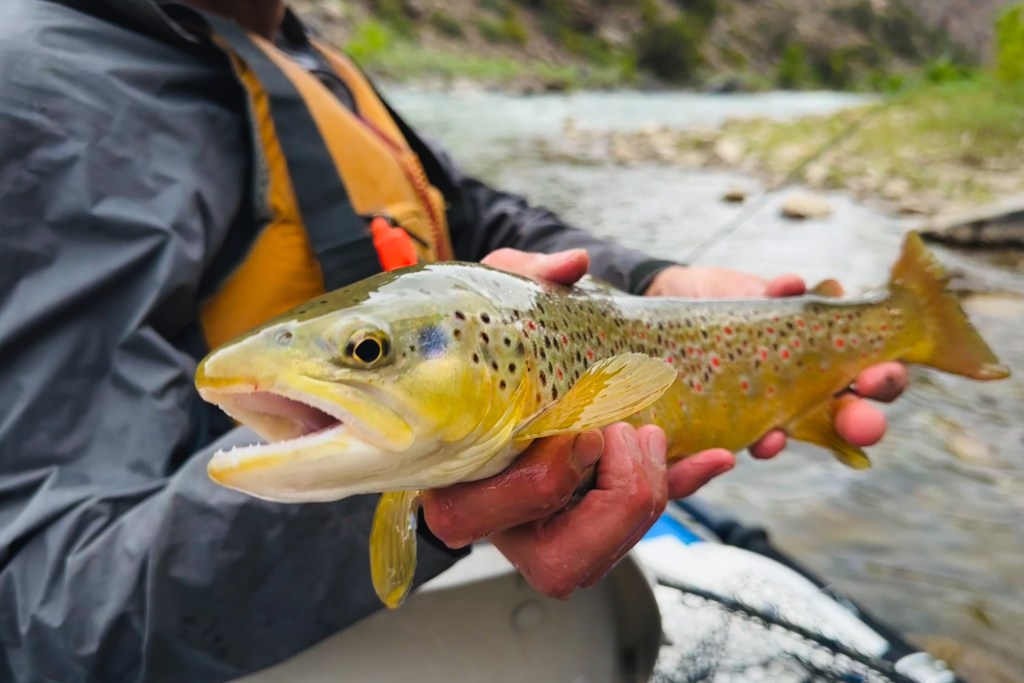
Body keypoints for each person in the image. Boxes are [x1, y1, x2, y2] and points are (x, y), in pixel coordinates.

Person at [0, 0, 908, 681]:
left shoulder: (300, 51)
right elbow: (50, 606)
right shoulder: (41, 92)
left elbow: (472, 213)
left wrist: (651, 280)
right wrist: (431, 486)